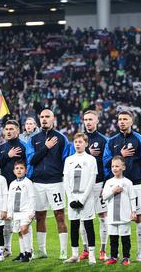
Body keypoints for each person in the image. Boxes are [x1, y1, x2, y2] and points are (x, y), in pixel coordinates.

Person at [103, 110, 141, 262]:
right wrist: (120, 153)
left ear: (131, 121)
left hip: (134, 185)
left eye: (125, 119)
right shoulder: (112, 141)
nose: (122, 121)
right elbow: (105, 161)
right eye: (120, 119)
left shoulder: (140, 140)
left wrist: (138, 177)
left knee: (138, 217)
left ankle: (140, 253)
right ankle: (115, 254)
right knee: (115, 218)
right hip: (116, 186)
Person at [26, 109, 69, 259]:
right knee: (40, 216)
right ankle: (42, 251)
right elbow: (31, 160)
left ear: (53, 119)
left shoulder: (62, 139)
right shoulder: (33, 139)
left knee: (59, 215)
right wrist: (46, 147)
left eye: (47, 117)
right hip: (38, 183)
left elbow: (66, 161)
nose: (44, 119)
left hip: (56, 183)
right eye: (42, 117)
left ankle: (63, 251)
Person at [71, 110, 109, 261]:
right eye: (85, 119)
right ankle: (86, 249)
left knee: (102, 216)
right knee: (82, 218)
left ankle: (102, 249)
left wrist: (106, 184)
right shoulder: (79, 139)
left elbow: (107, 163)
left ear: (97, 121)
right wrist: (87, 151)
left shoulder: (104, 140)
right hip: (82, 186)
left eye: (90, 119)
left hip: (99, 183)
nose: (87, 122)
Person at [63, 133, 98, 265]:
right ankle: (74, 255)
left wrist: (82, 200)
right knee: (74, 225)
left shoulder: (91, 160)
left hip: (86, 197)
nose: (77, 144)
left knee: (88, 226)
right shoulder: (69, 160)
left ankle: (92, 255)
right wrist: (71, 198)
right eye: (76, 142)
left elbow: (91, 181)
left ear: (86, 143)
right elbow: (66, 180)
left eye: (80, 141)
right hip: (72, 197)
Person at [0, 119, 28, 256]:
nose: (8, 131)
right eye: (6, 129)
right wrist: (7, 156)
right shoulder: (1, 148)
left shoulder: (25, 146)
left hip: (21, 188)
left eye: (11, 129)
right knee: (7, 219)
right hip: (5, 188)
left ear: (18, 131)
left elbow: (29, 166)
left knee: (22, 220)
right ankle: (7, 248)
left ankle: (26, 249)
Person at [102, 156, 136, 266]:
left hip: (124, 216)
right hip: (112, 216)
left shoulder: (128, 183)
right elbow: (104, 197)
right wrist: (113, 191)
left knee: (125, 238)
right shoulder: (108, 182)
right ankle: (113, 257)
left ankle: (126, 257)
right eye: (112, 166)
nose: (114, 168)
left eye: (117, 166)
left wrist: (134, 211)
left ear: (123, 167)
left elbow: (132, 198)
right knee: (113, 238)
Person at [7, 160, 36, 262]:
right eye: (17, 168)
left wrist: (32, 212)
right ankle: (22, 253)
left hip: (26, 212)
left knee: (24, 229)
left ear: (26, 171)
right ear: (14, 171)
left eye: (21, 168)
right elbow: (10, 199)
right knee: (19, 232)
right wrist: (9, 213)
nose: (19, 170)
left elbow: (32, 197)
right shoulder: (12, 184)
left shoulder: (28, 183)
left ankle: (28, 253)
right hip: (16, 213)